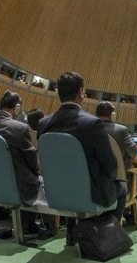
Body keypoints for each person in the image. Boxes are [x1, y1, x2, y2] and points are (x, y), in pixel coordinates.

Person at [37, 72, 126, 246]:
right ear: (81, 93)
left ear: (58, 93)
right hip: (88, 194)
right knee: (121, 188)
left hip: (55, 194)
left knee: (71, 179)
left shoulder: (43, 124)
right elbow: (110, 165)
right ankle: (106, 238)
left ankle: (72, 234)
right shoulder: (92, 123)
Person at [0, 91, 44, 235]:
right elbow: (32, 161)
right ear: (17, 108)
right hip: (17, 186)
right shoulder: (19, 128)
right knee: (38, 179)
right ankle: (29, 224)